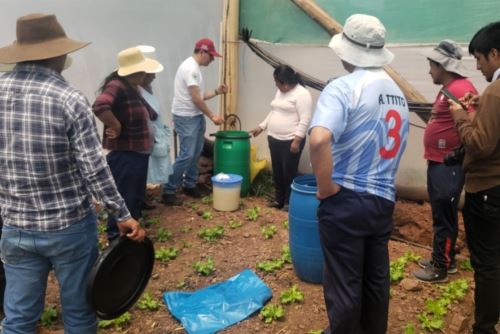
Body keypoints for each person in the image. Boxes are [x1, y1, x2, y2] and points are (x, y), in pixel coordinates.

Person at [0, 13, 145, 333]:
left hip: (16, 226)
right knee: (79, 313)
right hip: (68, 227)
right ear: (59, 54)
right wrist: (122, 215)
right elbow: (94, 168)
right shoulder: (68, 99)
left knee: (19, 318)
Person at [309, 14, 409, 334]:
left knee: (344, 284)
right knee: (375, 282)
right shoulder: (397, 94)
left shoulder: (344, 87)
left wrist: (325, 189)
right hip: (382, 201)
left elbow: (320, 138)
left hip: (347, 199)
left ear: (347, 52)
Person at [448, 21, 500, 334]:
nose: (478, 67)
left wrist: (460, 118)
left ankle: (484, 327)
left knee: (487, 263)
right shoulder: (492, 95)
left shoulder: (495, 91)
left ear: (494, 54)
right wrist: (479, 111)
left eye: (479, 59)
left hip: (487, 189)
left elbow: (480, 144)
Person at [413, 40, 478, 283]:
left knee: (445, 214)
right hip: (440, 162)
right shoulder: (451, 87)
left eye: (431, 65)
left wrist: (459, 153)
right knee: (441, 213)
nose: (429, 70)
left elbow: (474, 123)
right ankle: (443, 258)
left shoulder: (461, 89)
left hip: (448, 165)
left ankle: (441, 267)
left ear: (443, 65)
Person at [93, 47, 162, 241]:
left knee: (134, 196)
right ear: (135, 72)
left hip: (138, 153)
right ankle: (117, 238)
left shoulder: (132, 88)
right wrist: (115, 124)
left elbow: (151, 112)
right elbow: (99, 105)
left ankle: (130, 235)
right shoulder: (117, 85)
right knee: (125, 196)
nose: (146, 75)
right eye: (143, 71)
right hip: (126, 154)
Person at [162, 38, 226, 206]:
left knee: (196, 152)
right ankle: (168, 190)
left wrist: (217, 91)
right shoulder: (190, 69)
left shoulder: (195, 68)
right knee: (187, 154)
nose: (212, 60)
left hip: (195, 116)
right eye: (211, 56)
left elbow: (201, 95)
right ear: (202, 52)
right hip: (185, 117)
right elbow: (196, 99)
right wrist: (213, 116)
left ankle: (190, 184)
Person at [249, 65, 312, 211]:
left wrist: (297, 140)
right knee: (277, 172)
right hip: (274, 138)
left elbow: (305, 119)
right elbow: (274, 111)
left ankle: (289, 203)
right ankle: (279, 200)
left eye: (278, 82)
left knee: (288, 172)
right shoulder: (281, 91)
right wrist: (261, 126)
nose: (276, 85)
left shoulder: (302, 94)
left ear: (286, 81)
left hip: (290, 140)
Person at [136, 45, 173, 210]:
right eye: (152, 73)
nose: (154, 77)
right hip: (144, 137)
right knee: (142, 168)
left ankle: (141, 197)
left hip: (152, 135)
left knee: (147, 168)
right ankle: (138, 200)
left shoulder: (145, 89)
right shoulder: (136, 91)